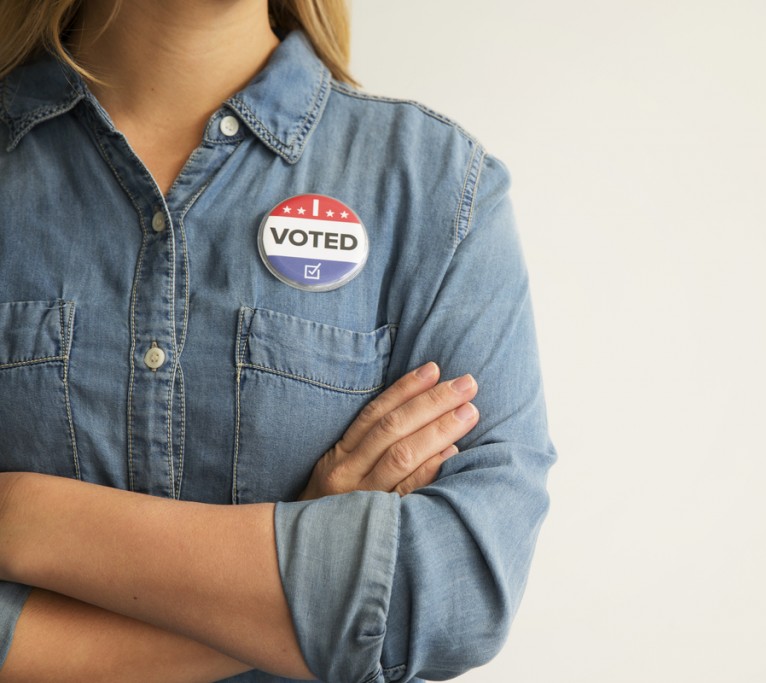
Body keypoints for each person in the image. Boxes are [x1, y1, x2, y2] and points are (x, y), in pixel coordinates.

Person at [0, 0, 555, 681]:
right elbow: (390, 600)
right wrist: (305, 579)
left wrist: (33, 519)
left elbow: (458, 587)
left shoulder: (436, 187)